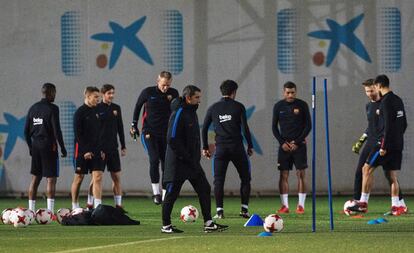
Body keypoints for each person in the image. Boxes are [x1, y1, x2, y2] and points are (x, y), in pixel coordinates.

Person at [161, 85, 228, 233]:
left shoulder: (192, 112)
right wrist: (186, 156)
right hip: (178, 163)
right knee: (171, 194)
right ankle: (166, 226)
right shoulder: (179, 112)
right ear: (188, 98)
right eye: (197, 97)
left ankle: (209, 223)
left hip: (192, 163)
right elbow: (171, 139)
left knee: (204, 189)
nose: (199, 100)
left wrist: (194, 158)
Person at [348, 75, 408, 216]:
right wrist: (396, 140)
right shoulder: (397, 99)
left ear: (379, 86)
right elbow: (403, 124)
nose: (371, 92)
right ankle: (396, 206)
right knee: (391, 175)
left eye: (373, 88)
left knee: (366, 169)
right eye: (367, 90)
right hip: (396, 144)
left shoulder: (385, 102)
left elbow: (387, 126)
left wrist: (384, 145)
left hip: (382, 143)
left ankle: (362, 203)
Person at [201, 80, 253, 219]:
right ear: (234, 92)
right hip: (237, 148)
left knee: (218, 180)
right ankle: (244, 210)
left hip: (221, 149)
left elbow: (204, 128)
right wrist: (250, 145)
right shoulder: (239, 107)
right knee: (245, 178)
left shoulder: (213, 108)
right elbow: (245, 128)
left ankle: (219, 211)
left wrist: (205, 147)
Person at [131, 71, 179, 204]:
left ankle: (164, 194)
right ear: (158, 81)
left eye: (168, 85)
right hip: (149, 132)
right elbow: (138, 106)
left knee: (166, 163)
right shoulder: (148, 92)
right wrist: (134, 124)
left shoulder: (174, 93)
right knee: (154, 159)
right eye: (163, 85)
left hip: (166, 134)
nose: (165, 88)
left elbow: (177, 112)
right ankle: (156, 193)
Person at [24, 83, 67, 214]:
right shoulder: (53, 108)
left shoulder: (33, 108)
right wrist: (62, 147)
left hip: (36, 145)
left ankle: (31, 211)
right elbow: (56, 130)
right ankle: (50, 212)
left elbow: (26, 131)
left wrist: (31, 147)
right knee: (51, 178)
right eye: (54, 93)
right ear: (50, 93)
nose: (55, 95)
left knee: (35, 178)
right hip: (49, 146)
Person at [272, 81, 311, 214]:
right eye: (288, 92)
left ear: (296, 92)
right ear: (284, 92)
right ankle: (285, 206)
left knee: (301, 174)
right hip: (284, 147)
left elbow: (308, 126)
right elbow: (274, 127)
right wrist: (282, 142)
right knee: (283, 175)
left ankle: (301, 205)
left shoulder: (302, 105)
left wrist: (297, 142)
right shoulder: (278, 106)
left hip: (299, 146)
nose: (290, 95)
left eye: (292, 92)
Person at [86, 84, 126, 208]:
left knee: (116, 177)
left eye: (113, 93)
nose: (111, 95)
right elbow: (92, 130)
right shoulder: (96, 108)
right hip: (99, 149)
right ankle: (91, 203)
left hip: (113, 148)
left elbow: (120, 128)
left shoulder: (116, 108)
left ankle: (118, 205)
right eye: (109, 93)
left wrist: (123, 146)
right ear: (103, 94)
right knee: (96, 178)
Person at [71, 86, 105, 209]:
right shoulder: (79, 112)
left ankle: (97, 207)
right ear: (88, 96)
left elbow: (100, 133)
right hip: (82, 150)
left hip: (96, 150)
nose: (98, 99)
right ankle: (75, 206)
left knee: (97, 177)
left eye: (99, 97)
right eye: (96, 97)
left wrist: (101, 149)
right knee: (79, 178)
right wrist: (85, 151)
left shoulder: (97, 112)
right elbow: (78, 134)